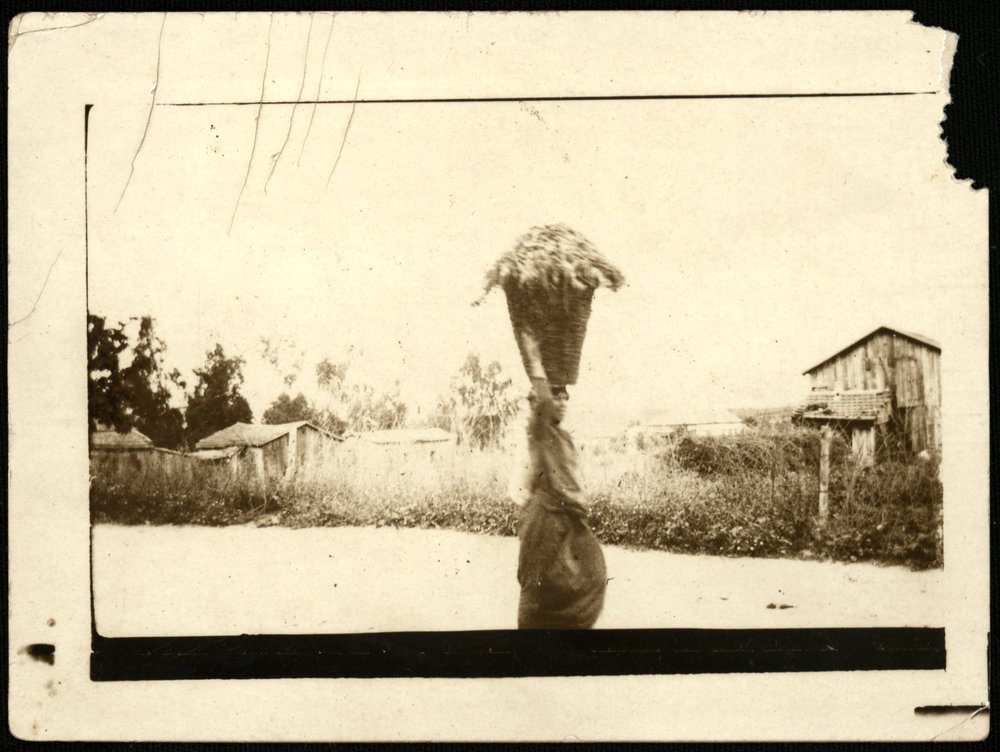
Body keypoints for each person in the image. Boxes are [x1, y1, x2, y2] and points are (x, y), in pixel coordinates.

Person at [512, 329, 606, 629]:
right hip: (545, 522)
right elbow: (543, 403)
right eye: (557, 396)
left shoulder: (563, 437)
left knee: (592, 575)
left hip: (568, 520)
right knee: (540, 588)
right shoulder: (541, 431)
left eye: (566, 396)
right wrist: (535, 361)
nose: (562, 402)